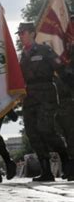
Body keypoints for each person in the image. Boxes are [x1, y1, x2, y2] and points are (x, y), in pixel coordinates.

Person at [17, 22, 72, 181]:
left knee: (45, 129)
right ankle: (46, 170)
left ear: (33, 33)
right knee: (32, 133)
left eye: (24, 32)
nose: (21, 36)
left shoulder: (44, 49)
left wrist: (70, 83)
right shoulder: (21, 56)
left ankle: (67, 161)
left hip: (46, 94)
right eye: (19, 33)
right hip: (29, 96)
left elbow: (60, 68)